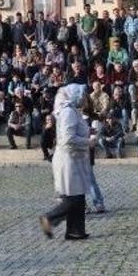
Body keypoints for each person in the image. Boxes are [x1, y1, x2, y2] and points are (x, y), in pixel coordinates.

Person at [39, 84, 92, 240]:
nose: (84, 98)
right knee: (73, 197)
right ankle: (49, 218)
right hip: (68, 159)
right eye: (82, 95)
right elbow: (69, 138)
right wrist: (88, 141)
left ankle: (75, 231)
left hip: (74, 158)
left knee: (78, 195)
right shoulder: (68, 112)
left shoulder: (71, 110)